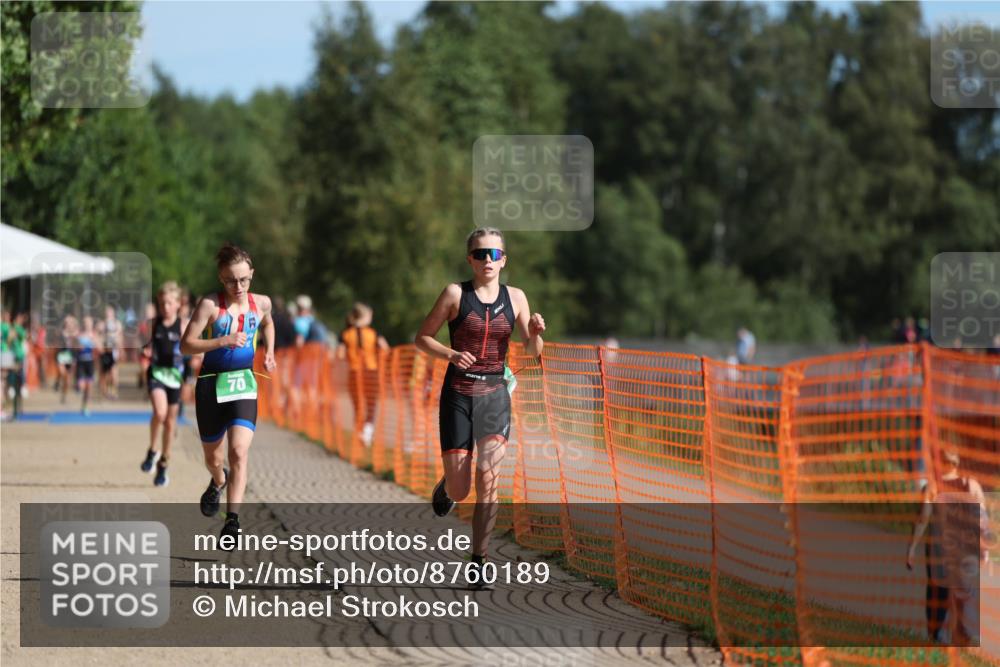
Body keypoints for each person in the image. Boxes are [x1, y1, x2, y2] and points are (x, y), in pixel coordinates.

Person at [415, 227, 545, 590]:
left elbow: (534, 352)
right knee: (460, 490)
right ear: (470, 258)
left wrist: (535, 332)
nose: (487, 260)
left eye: (494, 254)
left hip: (494, 395)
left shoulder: (516, 297)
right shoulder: (456, 294)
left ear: (504, 259)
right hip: (458, 392)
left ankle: (479, 561)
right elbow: (421, 338)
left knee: (489, 477)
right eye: (480, 253)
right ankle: (448, 485)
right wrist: (451, 353)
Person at [181, 244, 276, 547]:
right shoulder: (210, 305)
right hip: (211, 384)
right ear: (221, 278)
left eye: (244, 279)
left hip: (243, 383)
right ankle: (218, 480)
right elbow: (187, 345)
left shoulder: (261, 303)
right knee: (214, 457)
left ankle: (233, 521)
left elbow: (268, 323)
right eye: (231, 280)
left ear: (252, 275)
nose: (238, 287)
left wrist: (269, 352)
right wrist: (222, 340)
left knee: (239, 452)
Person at [907, 448, 988, 645]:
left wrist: (912, 547)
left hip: (939, 550)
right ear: (957, 465)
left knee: (937, 593)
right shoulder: (972, 486)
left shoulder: (933, 487)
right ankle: (964, 634)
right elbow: (983, 520)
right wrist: (984, 548)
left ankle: (936, 637)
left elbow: (922, 519)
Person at [139, 282, 186, 487]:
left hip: (175, 377)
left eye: (169, 303)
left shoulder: (184, 326)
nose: (165, 307)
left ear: (178, 304)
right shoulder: (153, 324)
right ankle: (152, 450)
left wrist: (196, 357)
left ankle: (164, 463)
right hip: (157, 373)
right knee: (160, 413)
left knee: (170, 422)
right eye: (162, 303)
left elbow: (194, 347)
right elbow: (143, 345)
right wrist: (145, 351)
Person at [337, 302, 389, 446]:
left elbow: (339, 355)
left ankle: (359, 432)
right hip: (371, 372)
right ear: (366, 317)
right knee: (371, 404)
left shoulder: (345, 334)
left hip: (354, 373)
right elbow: (385, 349)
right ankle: (367, 432)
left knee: (357, 405)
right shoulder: (373, 333)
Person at [98, 304, 122, 400]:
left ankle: (114, 391)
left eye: (110, 311)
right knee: (104, 374)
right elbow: (97, 336)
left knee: (114, 373)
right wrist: (100, 346)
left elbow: (120, 337)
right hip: (104, 352)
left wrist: (120, 349)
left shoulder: (117, 324)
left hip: (113, 351)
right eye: (107, 311)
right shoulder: (102, 324)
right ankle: (104, 392)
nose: (108, 313)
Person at [75, 316, 98, 416]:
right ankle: (78, 386)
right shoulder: (79, 335)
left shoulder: (94, 335)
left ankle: (85, 407)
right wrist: (79, 347)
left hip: (90, 362)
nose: (88, 325)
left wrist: (94, 342)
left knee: (89, 388)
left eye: (89, 323)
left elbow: (100, 348)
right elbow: (75, 347)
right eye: (86, 323)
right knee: (82, 386)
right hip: (81, 362)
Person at [54, 315, 78, 404]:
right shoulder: (61, 332)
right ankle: (57, 381)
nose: (69, 324)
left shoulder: (75, 333)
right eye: (67, 322)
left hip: (71, 356)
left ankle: (64, 396)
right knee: (62, 373)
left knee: (67, 380)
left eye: (70, 322)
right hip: (62, 355)